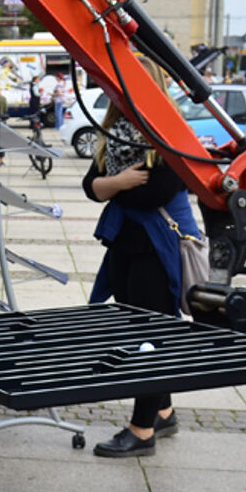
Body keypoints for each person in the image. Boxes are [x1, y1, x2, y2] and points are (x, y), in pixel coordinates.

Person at [82, 58, 196, 458]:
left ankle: (142, 429)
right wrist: (120, 182)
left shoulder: (168, 131)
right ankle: (162, 410)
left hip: (158, 243)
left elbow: (157, 192)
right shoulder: (115, 130)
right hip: (126, 242)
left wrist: (111, 187)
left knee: (148, 338)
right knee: (136, 332)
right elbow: (89, 185)